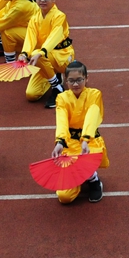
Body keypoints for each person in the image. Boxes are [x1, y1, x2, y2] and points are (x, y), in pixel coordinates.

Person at [50, 61, 107, 204]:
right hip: (70, 144)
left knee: (85, 160)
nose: (75, 84)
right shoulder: (62, 98)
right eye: (71, 81)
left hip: (90, 142)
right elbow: (61, 120)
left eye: (79, 80)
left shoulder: (95, 94)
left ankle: (94, 180)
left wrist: (85, 140)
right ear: (65, 80)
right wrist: (60, 142)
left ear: (86, 78)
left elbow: (92, 115)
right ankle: (80, 176)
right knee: (64, 197)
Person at [19, 0, 74, 107]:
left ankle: (57, 87)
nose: (42, 0)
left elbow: (54, 37)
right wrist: (24, 53)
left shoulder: (59, 16)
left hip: (61, 56)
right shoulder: (35, 18)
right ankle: (54, 77)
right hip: (42, 58)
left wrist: (41, 52)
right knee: (31, 95)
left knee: (37, 54)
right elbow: (30, 37)